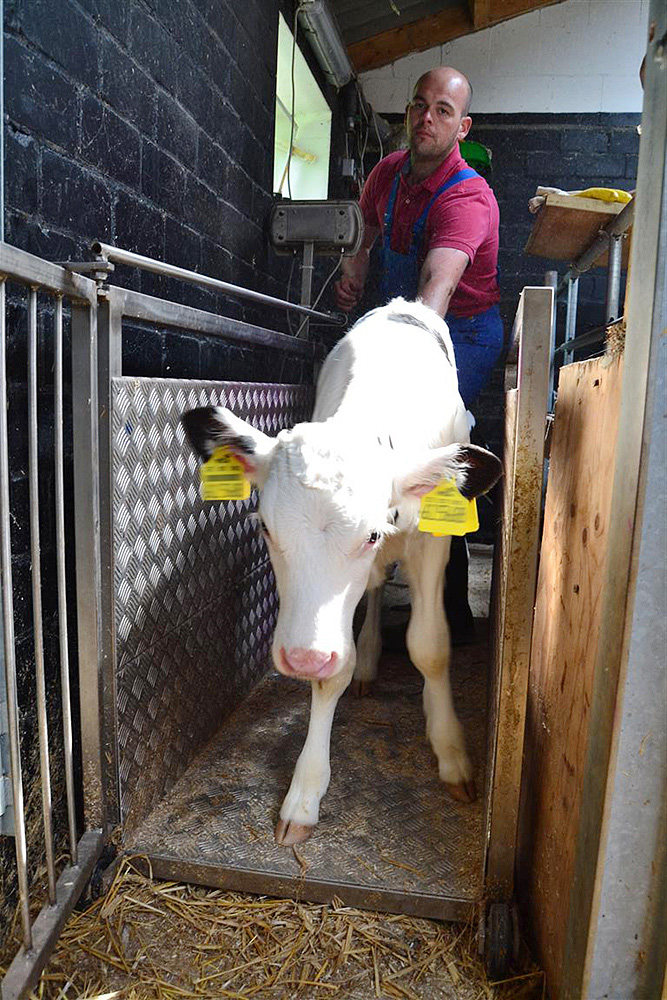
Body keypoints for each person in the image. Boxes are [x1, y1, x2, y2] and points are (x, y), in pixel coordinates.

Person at [334, 66, 503, 643]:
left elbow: (435, 297)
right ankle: (358, 601)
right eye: (420, 106)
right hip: (403, 318)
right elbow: (365, 226)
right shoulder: (388, 172)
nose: (427, 119)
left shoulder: (468, 200)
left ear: (463, 127)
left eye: (444, 111)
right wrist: (354, 274)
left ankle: (450, 614)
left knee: (438, 450)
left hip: (461, 331)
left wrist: (395, 385)